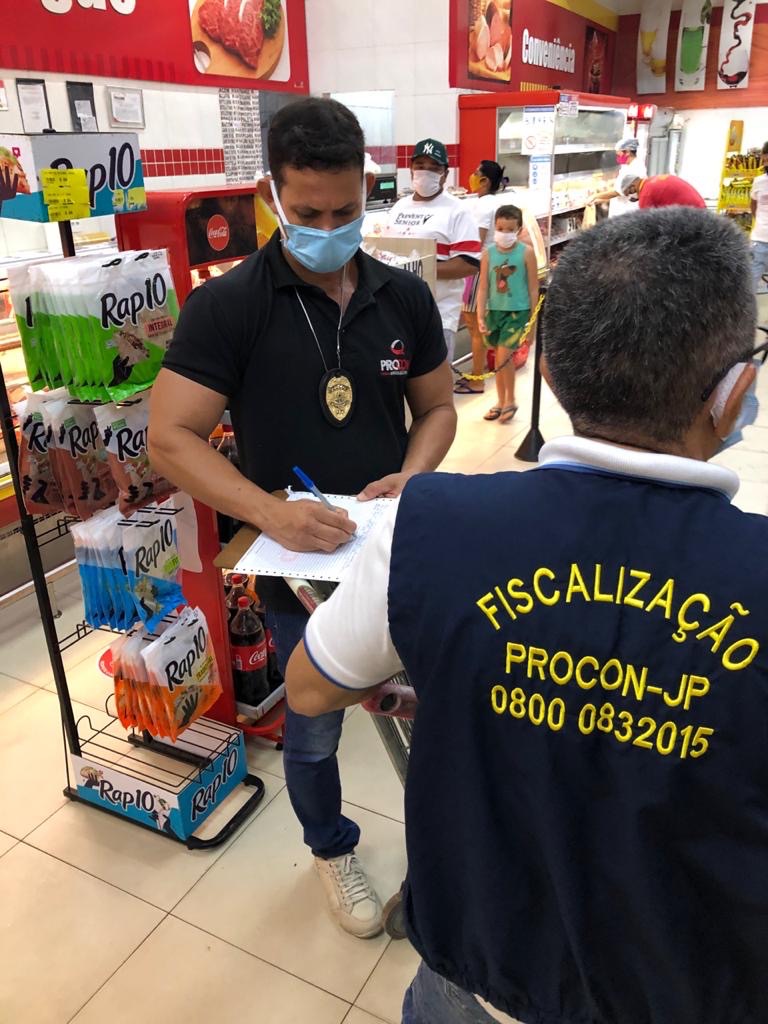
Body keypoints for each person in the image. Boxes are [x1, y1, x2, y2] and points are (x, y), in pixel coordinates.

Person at [285, 207, 768, 1024]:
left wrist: (464, 681)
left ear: (550, 370)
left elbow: (307, 688)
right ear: (733, 393)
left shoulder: (428, 525)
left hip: (471, 975)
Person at [147, 97, 456, 939]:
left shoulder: (401, 295)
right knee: (313, 734)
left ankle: (443, 853)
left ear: (367, 191)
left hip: (395, 555)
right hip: (299, 575)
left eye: (346, 213)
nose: (329, 230)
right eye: (309, 214)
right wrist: (267, 513)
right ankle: (331, 848)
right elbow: (169, 437)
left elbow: (436, 408)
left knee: (426, 713)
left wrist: (413, 475)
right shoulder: (230, 307)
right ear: (271, 197)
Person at [386, 139, 481, 364]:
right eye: (420, 166)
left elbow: (469, 263)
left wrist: (418, 270)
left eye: (434, 168)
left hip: (438, 315)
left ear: (445, 174)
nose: (425, 172)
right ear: (411, 169)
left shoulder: (457, 211)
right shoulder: (399, 207)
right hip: (396, 313)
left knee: (435, 381)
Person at [477, 205, 538, 424]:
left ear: (519, 229)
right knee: (497, 358)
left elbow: (533, 288)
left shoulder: (526, 253)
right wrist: (480, 315)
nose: (504, 233)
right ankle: (500, 401)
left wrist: (533, 323)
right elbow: (483, 287)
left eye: (510, 229)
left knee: (503, 357)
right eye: (500, 228)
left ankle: (510, 400)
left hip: (517, 312)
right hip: (494, 311)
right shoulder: (488, 254)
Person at [454, 160, 507, 396]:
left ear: (485, 180)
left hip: (477, 270)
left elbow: (475, 241)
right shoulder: (495, 202)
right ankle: (480, 368)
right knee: (480, 324)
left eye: (476, 173)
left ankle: (477, 380)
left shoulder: (484, 206)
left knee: (474, 326)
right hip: (492, 266)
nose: (472, 176)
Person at [586, 137, 647, 217]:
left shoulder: (635, 168)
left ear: (627, 152)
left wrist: (595, 196)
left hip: (627, 212)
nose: (618, 157)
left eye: (618, 155)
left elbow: (617, 192)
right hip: (621, 209)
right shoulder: (626, 166)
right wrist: (600, 200)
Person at [621, 171, 706, 209]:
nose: (630, 197)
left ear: (633, 186)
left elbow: (647, 223)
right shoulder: (653, 180)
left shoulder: (645, 195)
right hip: (699, 205)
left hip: (692, 214)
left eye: (629, 193)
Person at [750, 141, 768, 294]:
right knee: (751, 282)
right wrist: (762, 223)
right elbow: (753, 205)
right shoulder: (759, 181)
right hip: (760, 239)